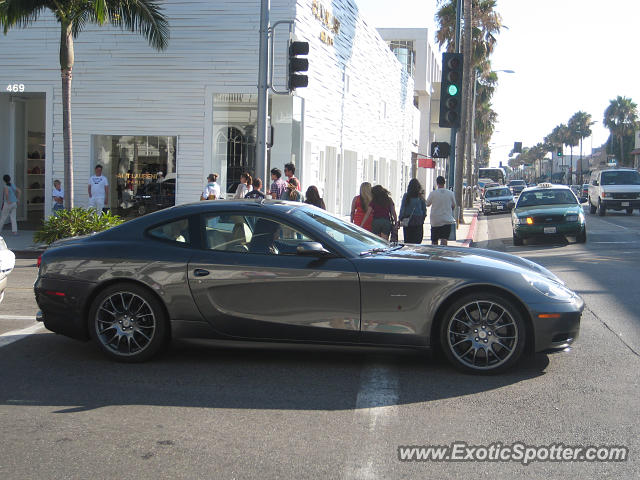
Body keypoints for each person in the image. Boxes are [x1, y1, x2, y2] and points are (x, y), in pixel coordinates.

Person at [426, 175, 457, 246]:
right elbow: (454, 205)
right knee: (444, 239)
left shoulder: (433, 193)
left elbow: (427, 204)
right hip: (446, 220)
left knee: (434, 240)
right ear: (444, 183)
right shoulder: (450, 193)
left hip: (435, 220)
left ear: (437, 183)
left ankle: (434, 255)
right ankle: (443, 253)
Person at [399, 178, 427, 244]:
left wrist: (400, 218)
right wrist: (423, 218)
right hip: (418, 220)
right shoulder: (420, 196)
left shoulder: (406, 196)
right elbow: (424, 209)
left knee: (408, 241)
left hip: (408, 220)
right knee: (417, 240)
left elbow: (402, 208)